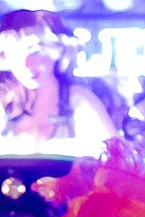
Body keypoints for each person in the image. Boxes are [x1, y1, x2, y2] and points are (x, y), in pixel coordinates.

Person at [0, 10, 119, 149]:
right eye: (15, 54)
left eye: (36, 52)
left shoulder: (79, 100)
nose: (26, 63)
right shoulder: (4, 103)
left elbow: (115, 158)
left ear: (59, 51)